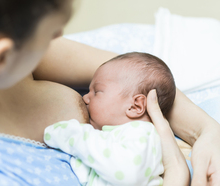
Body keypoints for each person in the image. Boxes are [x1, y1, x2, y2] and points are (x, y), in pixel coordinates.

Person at [0, 0, 218, 185]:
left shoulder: (10, 56)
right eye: (50, 33)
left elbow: (138, 77)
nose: (60, 38)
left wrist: (205, 130)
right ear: (1, 57)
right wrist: (176, 172)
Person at [44, 52, 177, 185]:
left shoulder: (142, 133)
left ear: (135, 106)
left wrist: (74, 136)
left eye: (97, 92)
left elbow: (127, 174)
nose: (85, 98)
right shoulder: (115, 135)